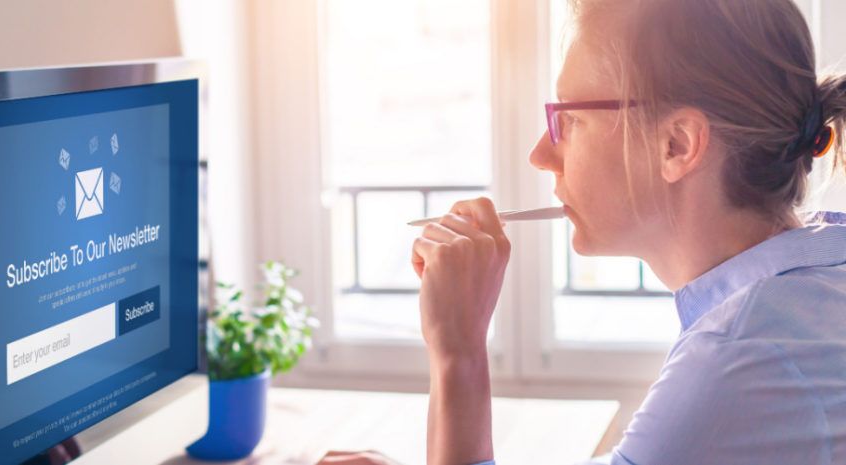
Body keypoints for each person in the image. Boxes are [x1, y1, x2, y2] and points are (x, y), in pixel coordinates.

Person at [317, 0, 846, 464]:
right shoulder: (812, 286)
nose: (541, 155)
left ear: (677, 145)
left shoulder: (737, 357)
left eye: (568, 119)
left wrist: (458, 350)